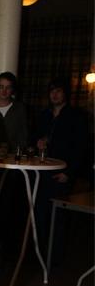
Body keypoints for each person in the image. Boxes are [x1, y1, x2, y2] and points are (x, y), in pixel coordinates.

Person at [34, 77, 87, 256]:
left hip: (62, 172)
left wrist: (69, 173)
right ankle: (40, 252)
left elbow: (81, 147)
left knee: (58, 216)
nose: (54, 95)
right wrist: (38, 143)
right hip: (42, 171)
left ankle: (55, 254)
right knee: (40, 211)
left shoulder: (76, 116)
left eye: (58, 91)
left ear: (65, 93)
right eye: (52, 91)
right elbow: (34, 139)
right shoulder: (44, 115)